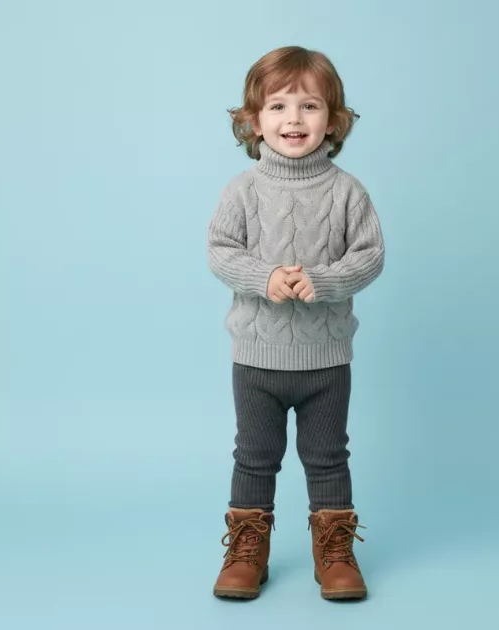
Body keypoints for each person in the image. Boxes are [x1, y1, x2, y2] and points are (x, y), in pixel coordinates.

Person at [207, 45, 384, 600]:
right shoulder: (242, 190)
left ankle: (335, 553)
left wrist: (323, 281)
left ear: (333, 121)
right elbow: (220, 251)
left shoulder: (347, 191)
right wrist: (264, 277)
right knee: (254, 458)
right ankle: (247, 551)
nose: (294, 119)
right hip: (256, 360)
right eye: (278, 106)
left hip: (325, 362)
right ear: (253, 121)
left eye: (309, 106)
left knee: (327, 458)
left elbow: (370, 256)